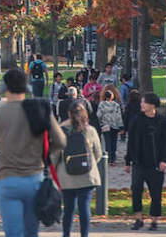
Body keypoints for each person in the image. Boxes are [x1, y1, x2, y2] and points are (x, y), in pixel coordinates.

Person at [0, 67, 66, 237]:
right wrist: (44, 155)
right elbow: (61, 140)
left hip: (8, 180)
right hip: (34, 179)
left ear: (4, 88)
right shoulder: (40, 109)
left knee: (13, 233)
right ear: (27, 87)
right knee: (31, 233)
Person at [125, 93, 166, 231]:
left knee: (156, 193)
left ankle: (154, 220)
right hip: (139, 162)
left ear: (152, 105)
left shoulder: (161, 121)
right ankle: (138, 218)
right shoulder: (136, 120)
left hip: (156, 163)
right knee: (136, 189)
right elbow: (131, 142)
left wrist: (164, 160)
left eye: (144, 102)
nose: (141, 104)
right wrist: (128, 161)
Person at [57, 99, 102, 237]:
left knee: (68, 209)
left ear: (69, 114)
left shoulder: (61, 130)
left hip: (67, 177)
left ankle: (66, 234)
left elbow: (54, 155)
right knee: (84, 209)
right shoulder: (90, 130)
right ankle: (84, 234)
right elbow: (98, 153)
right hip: (87, 176)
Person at [97, 88, 125, 163]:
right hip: (115, 125)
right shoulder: (116, 105)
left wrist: (100, 123)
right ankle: (113, 157)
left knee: (107, 142)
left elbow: (99, 115)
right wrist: (121, 126)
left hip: (106, 125)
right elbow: (119, 116)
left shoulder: (102, 104)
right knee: (114, 142)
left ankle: (108, 157)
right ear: (112, 96)